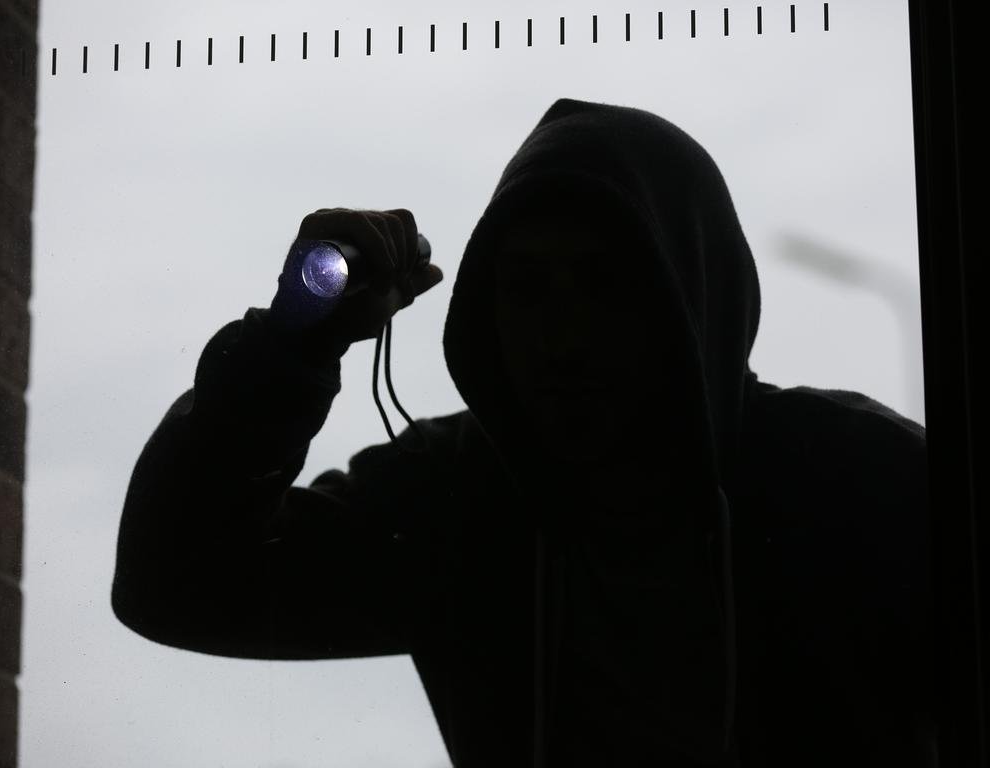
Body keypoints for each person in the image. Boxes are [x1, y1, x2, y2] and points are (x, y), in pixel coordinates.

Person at [111, 98, 937, 767]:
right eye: (528, 288)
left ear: (687, 295)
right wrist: (292, 344)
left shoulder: (860, 487)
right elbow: (175, 583)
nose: (562, 337)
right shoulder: (454, 506)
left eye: (606, 285)